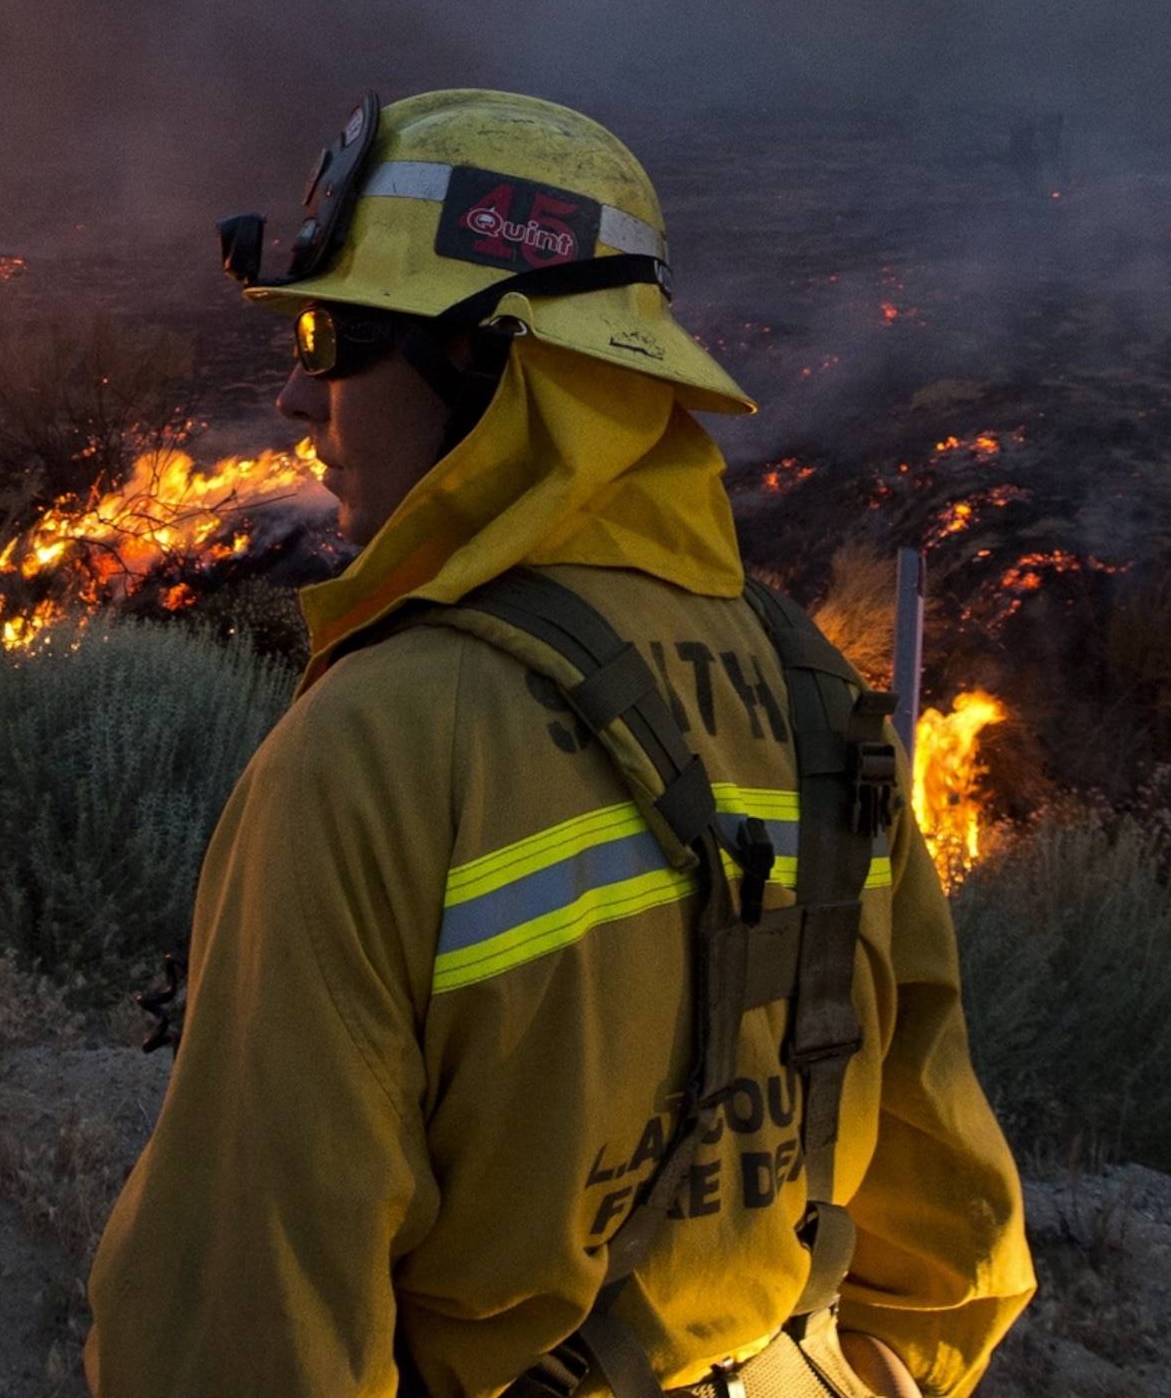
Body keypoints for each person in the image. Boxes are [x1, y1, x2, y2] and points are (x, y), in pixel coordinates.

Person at [86, 90, 1032, 1398]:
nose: (299, 393)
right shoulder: (820, 695)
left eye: (334, 334)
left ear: (491, 365)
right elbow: (949, 1247)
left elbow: (246, 1331)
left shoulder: (367, 750)